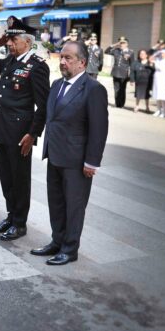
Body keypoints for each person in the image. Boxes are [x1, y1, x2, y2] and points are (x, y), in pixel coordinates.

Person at [31, 41, 108, 266]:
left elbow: (99, 128)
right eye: (61, 57)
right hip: (55, 155)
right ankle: (57, 241)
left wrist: (92, 162)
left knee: (74, 206)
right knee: (56, 203)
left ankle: (69, 248)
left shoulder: (93, 89)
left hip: (76, 161)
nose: (62, 62)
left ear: (82, 62)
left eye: (68, 58)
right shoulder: (56, 85)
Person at [0, 17, 50, 241]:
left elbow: (43, 105)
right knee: (7, 178)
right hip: (2, 131)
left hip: (21, 135)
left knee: (20, 180)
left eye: (13, 39)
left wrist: (33, 134)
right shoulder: (11, 61)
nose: (9, 44)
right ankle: (11, 216)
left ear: (27, 41)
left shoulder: (37, 66)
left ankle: (19, 224)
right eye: (9, 39)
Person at [105, 36, 134, 108]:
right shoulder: (116, 50)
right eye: (121, 43)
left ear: (127, 44)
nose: (122, 44)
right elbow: (106, 51)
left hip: (124, 73)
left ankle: (122, 104)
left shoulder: (130, 52)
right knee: (116, 89)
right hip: (115, 72)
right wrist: (115, 44)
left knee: (122, 89)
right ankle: (117, 104)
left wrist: (131, 76)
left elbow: (132, 64)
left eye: (123, 43)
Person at [130, 49, 153, 114]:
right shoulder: (135, 62)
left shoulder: (150, 62)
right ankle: (137, 106)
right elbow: (132, 72)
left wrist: (151, 64)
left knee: (147, 95)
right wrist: (132, 80)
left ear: (146, 55)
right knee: (138, 94)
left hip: (147, 81)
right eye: (140, 54)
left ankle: (147, 107)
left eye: (143, 54)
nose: (142, 55)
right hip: (139, 81)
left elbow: (153, 71)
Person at [150, 49, 165, 117]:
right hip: (157, 80)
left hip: (164, 81)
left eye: (163, 53)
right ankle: (158, 110)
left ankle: (164, 111)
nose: (162, 54)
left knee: (163, 97)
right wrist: (157, 52)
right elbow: (151, 58)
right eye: (161, 53)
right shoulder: (158, 60)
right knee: (157, 96)